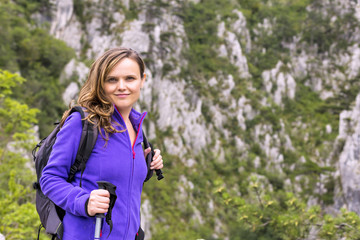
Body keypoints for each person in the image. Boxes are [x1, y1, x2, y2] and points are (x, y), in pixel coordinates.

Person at [40, 47, 164, 240]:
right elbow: (49, 178)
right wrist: (85, 202)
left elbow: (120, 176)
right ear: (100, 83)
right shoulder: (84, 123)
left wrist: (146, 166)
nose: (122, 86)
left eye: (130, 78)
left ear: (143, 80)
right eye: (112, 79)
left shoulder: (136, 128)